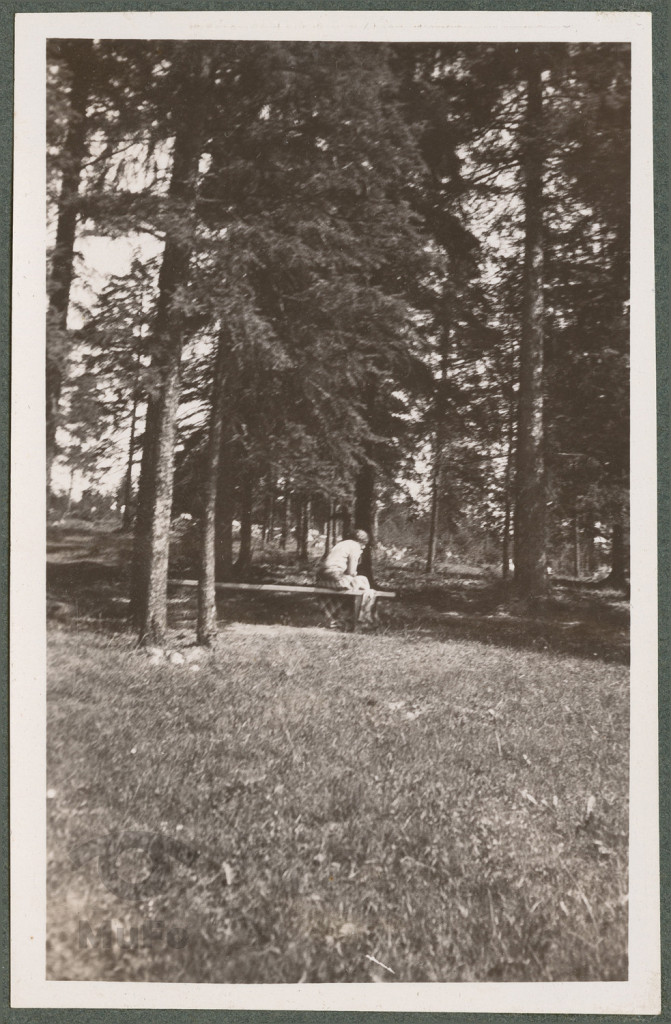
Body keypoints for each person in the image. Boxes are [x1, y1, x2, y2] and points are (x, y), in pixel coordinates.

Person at [316, 529, 376, 624]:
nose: (363, 547)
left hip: (321, 579)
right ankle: (362, 619)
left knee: (357, 584)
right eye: (364, 544)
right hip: (335, 578)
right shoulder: (355, 546)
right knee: (364, 583)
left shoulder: (342, 544)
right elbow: (351, 572)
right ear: (361, 542)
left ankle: (337, 618)